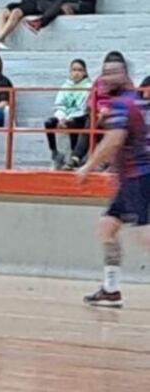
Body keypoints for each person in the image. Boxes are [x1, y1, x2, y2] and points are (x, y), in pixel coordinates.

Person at [76, 55, 150, 307]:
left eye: (112, 73)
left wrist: (88, 166)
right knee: (107, 228)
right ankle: (111, 289)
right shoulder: (135, 101)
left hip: (137, 177)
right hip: (131, 177)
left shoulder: (122, 105)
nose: (106, 78)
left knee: (145, 236)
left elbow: (114, 140)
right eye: (104, 73)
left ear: (124, 75)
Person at [45, 59, 92, 170]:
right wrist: (61, 118)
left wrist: (68, 119)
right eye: (74, 70)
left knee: (73, 123)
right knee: (48, 123)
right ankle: (55, 152)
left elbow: (84, 108)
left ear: (85, 72)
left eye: (80, 70)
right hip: (64, 115)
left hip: (80, 116)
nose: (76, 73)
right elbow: (60, 104)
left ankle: (74, 156)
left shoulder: (89, 87)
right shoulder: (65, 86)